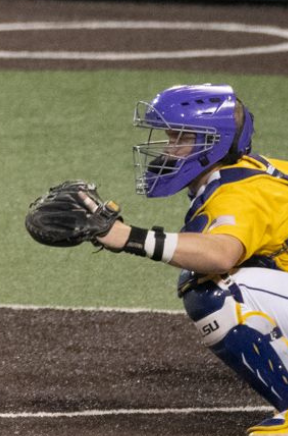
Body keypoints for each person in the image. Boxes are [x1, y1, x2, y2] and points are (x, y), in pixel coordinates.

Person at [94, 84, 288, 436]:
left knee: (216, 286)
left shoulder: (238, 193)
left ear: (211, 144)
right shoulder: (241, 173)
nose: (169, 150)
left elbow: (219, 254)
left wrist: (129, 237)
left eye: (180, 138)